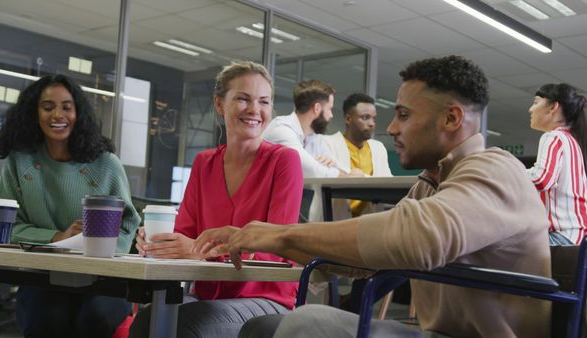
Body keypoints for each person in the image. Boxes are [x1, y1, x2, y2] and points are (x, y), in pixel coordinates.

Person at [194, 55, 553, 338]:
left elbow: (419, 238)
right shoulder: (432, 183)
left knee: (306, 325)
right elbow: (366, 260)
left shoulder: (495, 167)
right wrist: (268, 240)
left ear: (451, 118)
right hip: (435, 332)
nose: (392, 128)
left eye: (403, 115)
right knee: (264, 328)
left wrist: (279, 234)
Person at [128, 61, 303, 338]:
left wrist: (199, 250)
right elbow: (186, 235)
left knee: (187, 326)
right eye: (243, 99)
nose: (254, 110)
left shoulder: (284, 161)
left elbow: (276, 249)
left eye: (264, 102)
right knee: (146, 322)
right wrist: (159, 242)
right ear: (220, 105)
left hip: (267, 300)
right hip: (208, 296)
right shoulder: (204, 162)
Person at [0, 74, 140, 338]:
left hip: (102, 278)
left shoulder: (105, 163)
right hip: (42, 276)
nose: (58, 114)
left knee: (95, 317)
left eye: (66, 107)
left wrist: (97, 247)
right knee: (48, 319)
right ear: (34, 113)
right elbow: (7, 228)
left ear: (77, 113)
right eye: (48, 107)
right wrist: (57, 238)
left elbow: (128, 223)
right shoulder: (19, 161)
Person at [526, 83, 587, 264]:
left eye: (536, 102)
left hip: (570, 240)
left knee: (496, 247)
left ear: (553, 107)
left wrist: (504, 172)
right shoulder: (576, 141)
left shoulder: (554, 137)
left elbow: (541, 179)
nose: (530, 109)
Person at [263, 79, 362, 178]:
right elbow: (313, 171)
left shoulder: (314, 138)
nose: (331, 115)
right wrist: (347, 176)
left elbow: (337, 166)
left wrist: (348, 172)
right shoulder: (282, 129)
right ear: (317, 108)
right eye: (329, 109)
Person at [324, 93, 392, 218]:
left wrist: (363, 177)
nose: (371, 123)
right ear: (348, 119)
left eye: (373, 118)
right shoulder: (327, 144)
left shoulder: (379, 148)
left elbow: (388, 185)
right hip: (335, 222)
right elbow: (329, 181)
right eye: (365, 117)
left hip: (371, 224)